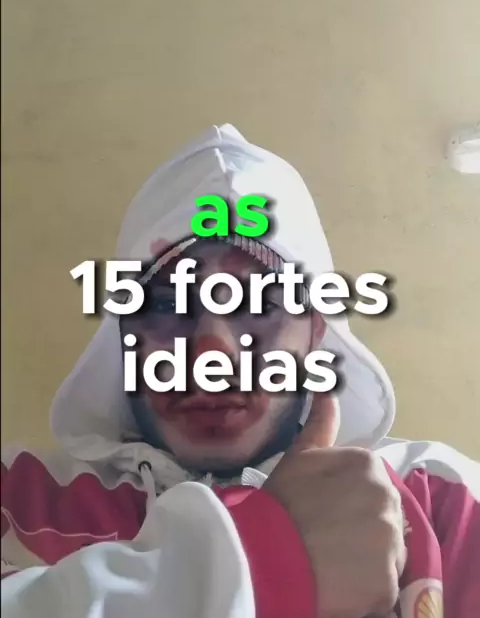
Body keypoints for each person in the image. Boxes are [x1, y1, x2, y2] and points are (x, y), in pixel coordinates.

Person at [1, 123, 479, 618]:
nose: (213, 359)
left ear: (316, 333)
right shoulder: (17, 498)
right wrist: (259, 563)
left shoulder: (444, 499)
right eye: (166, 305)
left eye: (262, 305)